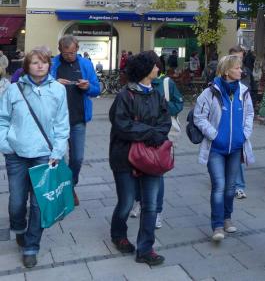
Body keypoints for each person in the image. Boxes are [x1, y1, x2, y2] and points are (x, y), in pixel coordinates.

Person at [0, 49, 69, 268]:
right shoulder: (14, 89)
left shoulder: (58, 89)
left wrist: (57, 152)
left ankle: (31, 246)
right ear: (27, 66)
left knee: (40, 203)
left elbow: (62, 123)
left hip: (45, 155)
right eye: (35, 62)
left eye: (44, 62)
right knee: (16, 202)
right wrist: (5, 145)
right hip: (16, 154)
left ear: (49, 65)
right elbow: (2, 119)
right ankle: (19, 228)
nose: (40, 66)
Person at [108, 52, 171, 265]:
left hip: (152, 157)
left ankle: (145, 249)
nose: (158, 68)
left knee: (151, 205)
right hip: (124, 157)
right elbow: (122, 125)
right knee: (126, 202)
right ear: (145, 69)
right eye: (155, 65)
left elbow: (165, 121)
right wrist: (151, 133)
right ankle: (118, 234)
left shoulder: (156, 94)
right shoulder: (125, 95)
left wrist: (157, 134)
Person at [192, 54, 254, 242]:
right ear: (226, 71)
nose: (241, 71)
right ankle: (217, 225)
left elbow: (250, 114)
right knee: (219, 185)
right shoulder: (210, 92)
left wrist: (244, 134)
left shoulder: (243, 91)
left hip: (235, 148)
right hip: (215, 149)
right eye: (237, 68)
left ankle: (227, 218)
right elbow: (198, 117)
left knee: (230, 187)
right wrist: (214, 135)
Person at [129, 52, 184, 228]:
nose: (157, 68)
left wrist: (162, 108)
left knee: (157, 174)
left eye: (157, 65)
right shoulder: (134, 86)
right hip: (140, 136)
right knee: (136, 170)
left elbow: (179, 103)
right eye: (154, 65)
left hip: (160, 136)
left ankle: (157, 211)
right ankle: (139, 201)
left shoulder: (166, 83)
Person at [50, 35, 101, 206]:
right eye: (66, 53)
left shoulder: (85, 64)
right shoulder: (53, 64)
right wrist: (54, 83)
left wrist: (88, 87)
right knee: (58, 158)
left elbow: (96, 89)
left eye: (72, 53)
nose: (69, 56)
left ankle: (70, 185)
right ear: (60, 50)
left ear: (77, 49)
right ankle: (63, 189)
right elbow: (42, 86)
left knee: (77, 158)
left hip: (78, 118)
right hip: (56, 120)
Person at [228, 45, 251, 199]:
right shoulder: (221, 73)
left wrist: (247, 129)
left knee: (237, 154)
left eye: (241, 58)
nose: (240, 62)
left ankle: (238, 185)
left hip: (239, 121)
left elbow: (249, 93)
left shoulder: (245, 72)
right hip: (225, 123)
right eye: (237, 58)